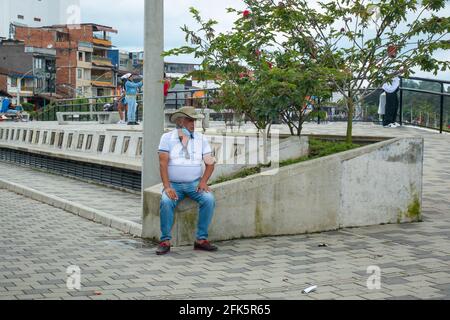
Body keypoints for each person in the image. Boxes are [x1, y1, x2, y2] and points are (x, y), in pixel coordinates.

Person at [156, 107, 218, 255]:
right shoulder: (167, 138)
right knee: (165, 202)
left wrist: (203, 182)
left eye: (194, 120)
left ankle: (201, 240)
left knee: (209, 199)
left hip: (194, 184)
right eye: (190, 120)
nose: (193, 123)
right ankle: (165, 240)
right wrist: (167, 187)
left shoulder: (201, 139)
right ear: (180, 121)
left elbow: (210, 162)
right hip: (174, 185)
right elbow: (163, 163)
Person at [382, 45, 401, 128]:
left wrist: (400, 71)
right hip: (389, 86)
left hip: (394, 85)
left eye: (396, 51)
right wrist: (398, 72)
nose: (395, 53)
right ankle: (387, 122)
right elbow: (388, 74)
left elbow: (396, 72)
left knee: (395, 104)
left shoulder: (395, 61)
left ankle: (393, 121)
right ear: (389, 52)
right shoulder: (386, 61)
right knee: (390, 104)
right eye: (394, 51)